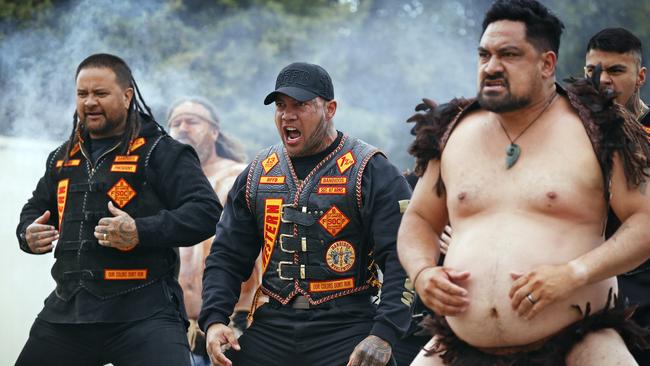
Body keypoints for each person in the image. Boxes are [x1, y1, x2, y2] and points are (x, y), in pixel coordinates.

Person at [398, 0, 650, 365]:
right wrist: (422, 273)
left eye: (509, 54)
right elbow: (419, 219)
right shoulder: (453, 131)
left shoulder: (599, 129)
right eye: (484, 55)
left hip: (579, 342)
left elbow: (645, 223)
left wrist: (572, 274)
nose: (492, 67)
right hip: (457, 343)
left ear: (547, 64)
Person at [199, 62, 412, 366]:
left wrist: (384, 334)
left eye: (300, 105)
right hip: (273, 325)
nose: (288, 114)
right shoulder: (257, 174)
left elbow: (403, 255)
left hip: (347, 325)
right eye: (281, 106)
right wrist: (215, 319)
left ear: (330, 109)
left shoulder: (371, 169)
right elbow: (227, 255)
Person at [15, 53, 222, 366]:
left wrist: (140, 231)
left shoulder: (162, 151)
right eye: (82, 94)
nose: (89, 102)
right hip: (68, 313)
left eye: (100, 93)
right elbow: (35, 208)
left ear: (127, 97)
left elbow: (207, 212)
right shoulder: (62, 155)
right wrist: (28, 234)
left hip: (145, 313)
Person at [166, 97, 260, 365]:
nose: (182, 127)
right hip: (176, 328)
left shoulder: (240, 178)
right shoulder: (163, 184)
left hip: (232, 326)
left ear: (215, 131)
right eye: (175, 122)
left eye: (192, 121)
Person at [585, 27, 650, 365]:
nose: (602, 80)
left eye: (615, 70)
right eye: (593, 70)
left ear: (640, 76)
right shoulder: (571, 131)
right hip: (589, 288)